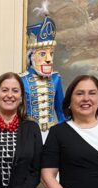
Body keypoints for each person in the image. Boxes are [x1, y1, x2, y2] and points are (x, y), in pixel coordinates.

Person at [20, 6, 65, 138]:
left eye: (51, 53)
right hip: (28, 135)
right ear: (31, 55)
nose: (49, 59)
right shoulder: (21, 80)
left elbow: (61, 112)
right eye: (43, 54)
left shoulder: (56, 79)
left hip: (51, 135)